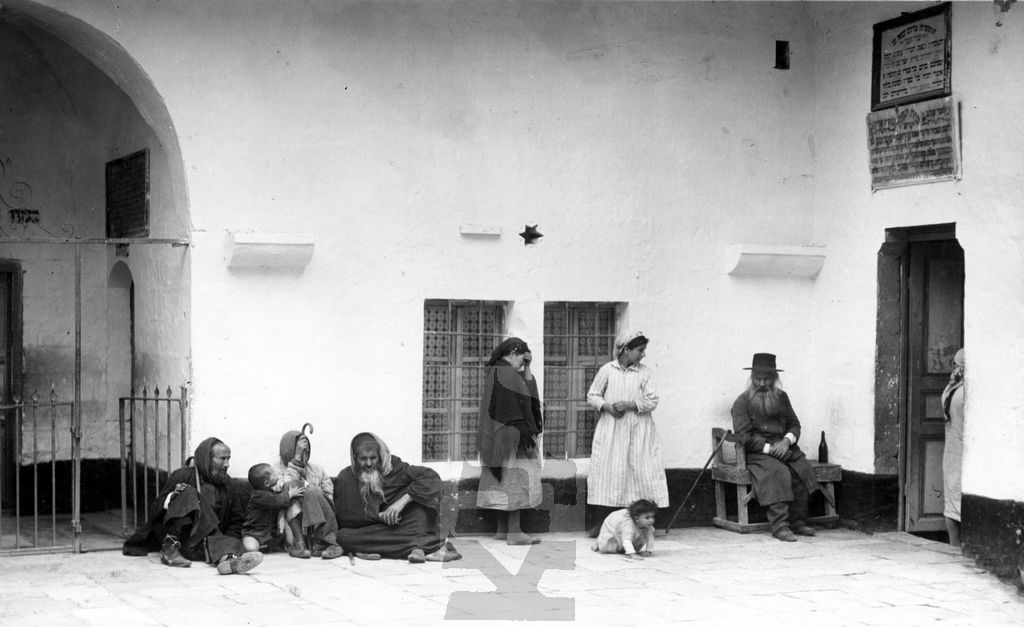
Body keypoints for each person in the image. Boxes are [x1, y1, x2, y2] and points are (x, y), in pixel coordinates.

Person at [122, 437, 263, 575]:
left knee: (230, 543)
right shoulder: (181, 476)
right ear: (207, 459)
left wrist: (226, 541)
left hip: (208, 542)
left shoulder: (228, 484)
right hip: (182, 541)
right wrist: (172, 497)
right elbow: (154, 511)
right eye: (222, 459)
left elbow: (236, 521)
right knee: (188, 491)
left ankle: (228, 561)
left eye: (228, 459)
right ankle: (170, 548)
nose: (227, 464)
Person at [730, 353, 822, 542]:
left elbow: (794, 425)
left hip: (784, 448)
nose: (762, 383)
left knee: (801, 469)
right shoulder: (741, 402)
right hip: (757, 452)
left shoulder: (782, 397)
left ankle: (798, 522)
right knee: (777, 471)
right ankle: (780, 526)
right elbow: (743, 437)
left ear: (774, 378)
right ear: (752, 378)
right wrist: (770, 449)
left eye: (767, 379)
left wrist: (786, 441)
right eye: (758, 379)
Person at [585, 331, 668, 537]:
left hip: (638, 430)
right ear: (625, 350)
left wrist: (631, 405)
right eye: (640, 350)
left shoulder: (644, 372)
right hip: (612, 430)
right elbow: (592, 395)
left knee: (639, 473)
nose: (643, 354)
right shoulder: (607, 370)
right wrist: (607, 406)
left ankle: (641, 525)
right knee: (609, 473)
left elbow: (652, 400)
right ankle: (605, 524)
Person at [334, 432, 461, 562]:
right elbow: (345, 517)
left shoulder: (396, 468)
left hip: (401, 526)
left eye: (373, 458)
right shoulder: (346, 478)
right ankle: (422, 546)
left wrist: (400, 504)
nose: (369, 463)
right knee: (343, 537)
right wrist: (379, 516)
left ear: (380, 456)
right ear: (355, 458)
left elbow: (432, 479)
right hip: (370, 530)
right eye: (363, 459)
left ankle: (368, 548)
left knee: (419, 511)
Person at [476, 337, 544, 545]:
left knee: (501, 480)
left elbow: (528, 394)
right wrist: (524, 435)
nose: (523, 365)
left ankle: (502, 530)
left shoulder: (498, 371)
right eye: (522, 361)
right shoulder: (506, 374)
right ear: (513, 354)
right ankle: (514, 532)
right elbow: (519, 406)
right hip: (511, 440)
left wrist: (527, 368)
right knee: (516, 480)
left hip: (497, 440)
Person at [274, 429, 345, 559]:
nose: (303, 454)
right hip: (294, 523)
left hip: (321, 518)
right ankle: (300, 544)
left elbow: (328, 494)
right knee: (291, 487)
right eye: (299, 450)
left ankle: (328, 543)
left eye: (306, 451)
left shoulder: (317, 469)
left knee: (312, 491)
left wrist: (311, 496)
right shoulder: (275, 471)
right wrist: (296, 462)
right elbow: (280, 490)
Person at [241, 462, 303, 555]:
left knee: (281, 540)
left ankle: (267, 546)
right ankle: (250, 545)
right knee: (251, 548)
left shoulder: (269, 491)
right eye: (274, 475)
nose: (277, 475)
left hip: (270, 533)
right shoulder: (257, 495)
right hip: (254, 533)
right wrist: (290, 494)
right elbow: (276, 500)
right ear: (266, 483)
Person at [941, 348, 965, 548]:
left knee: (952, 499)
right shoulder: (964, 392)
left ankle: (953, 546)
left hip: (952, 451)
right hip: (962, 450)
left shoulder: (950, 389)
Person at [591, 498, 657, 561]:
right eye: (647, 518)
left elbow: (650, 538)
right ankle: (597, 544)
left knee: (633, 545)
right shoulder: (628, 525)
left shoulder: (648, 526)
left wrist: (648, 551)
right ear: (636, 518)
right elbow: (627, 540)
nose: (651, 520)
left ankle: (625, 548)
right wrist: (632, 554)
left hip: (626, 535)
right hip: (614, 529)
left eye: (653, 517)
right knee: (607, 547)